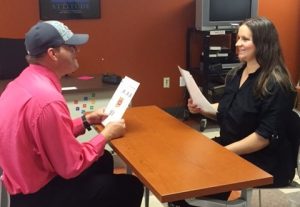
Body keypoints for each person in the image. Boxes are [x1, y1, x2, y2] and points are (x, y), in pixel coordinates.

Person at [0, 20, 143, 207]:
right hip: (40, 195)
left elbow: (47, 134)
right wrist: (105, 135)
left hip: (25, 183)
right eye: (71, 47)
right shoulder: (47, 99)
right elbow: (71, 166)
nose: (77, 51)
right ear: (53, 54)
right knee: (129, 186)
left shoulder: (21, 83)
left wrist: (86, 120)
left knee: (104, 159)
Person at [170, 16, 297, 207]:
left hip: (264, 159)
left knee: (192, 190)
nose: (237, 44)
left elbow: (263, 138)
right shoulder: (237, 73)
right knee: (180, 176)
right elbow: (226, 108)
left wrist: (223, 153)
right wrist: (201, 108)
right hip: (231, 146)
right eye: (238, 38)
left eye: (245, 39)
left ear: (263, 43)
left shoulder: (277, 85)